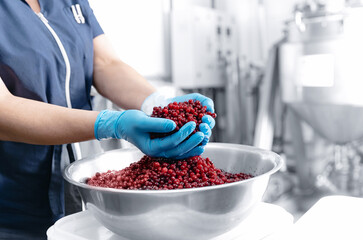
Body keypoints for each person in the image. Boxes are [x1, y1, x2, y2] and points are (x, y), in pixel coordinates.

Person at [0, 0, 215, 239]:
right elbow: (3, 110)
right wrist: (110, 123)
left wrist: (158, 104)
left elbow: (105, 64)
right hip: (13, 208)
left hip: (85, 189)